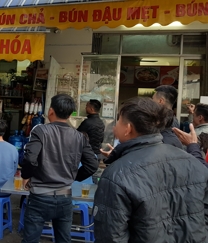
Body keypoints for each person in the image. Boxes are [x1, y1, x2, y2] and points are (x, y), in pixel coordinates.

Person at [93, 97, 208, 243]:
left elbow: (110, 236)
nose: (114, 128)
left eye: (118, 122)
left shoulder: (117, 175)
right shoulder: (192, 162)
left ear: (128, 129)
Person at [21, 94, 98, 243]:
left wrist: (26, 176)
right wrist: (73, 176)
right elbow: (92, 165)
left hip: (39, 197)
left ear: (51, 111)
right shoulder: (79, 136)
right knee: (63, 240)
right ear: (70, 115)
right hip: (64, 197)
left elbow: (30, 158)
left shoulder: (40, 131)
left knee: (30, 240)